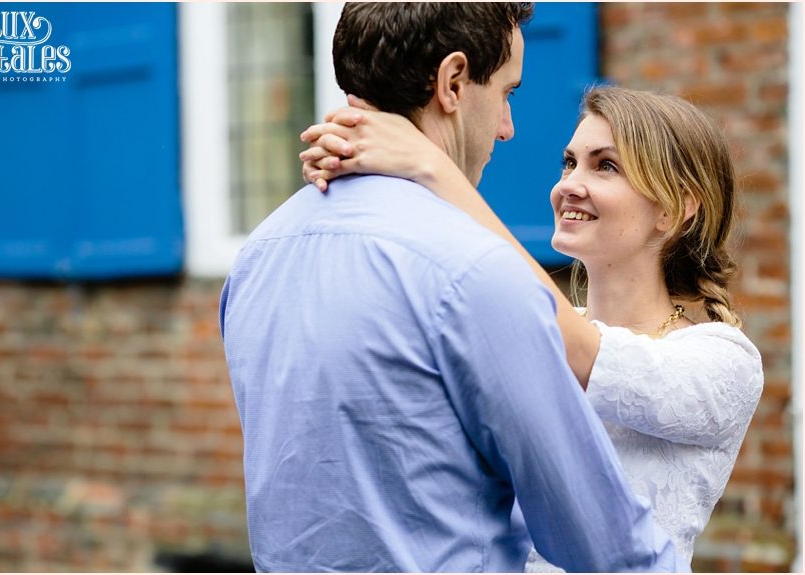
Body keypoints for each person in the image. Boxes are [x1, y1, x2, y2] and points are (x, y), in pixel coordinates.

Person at [221, 4, 687, 571]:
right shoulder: (475, 274)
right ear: (453, 82)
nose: (506, 127)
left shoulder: (258, 256)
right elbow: (606, 543)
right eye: (507, 93)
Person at [299, 85, 764, 570]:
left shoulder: (724, 361)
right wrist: (360, 161)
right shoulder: (560, 327)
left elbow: (587, 356)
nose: (568, 185)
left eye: (605, 165)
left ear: (673, 208)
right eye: (569, 163)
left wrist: (433, 168)